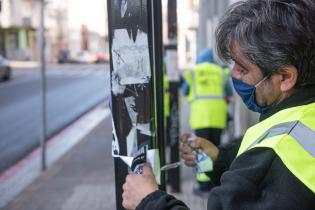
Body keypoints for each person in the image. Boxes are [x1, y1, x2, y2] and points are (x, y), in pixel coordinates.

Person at [122, 0, 315, 209]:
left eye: (243, 69)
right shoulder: (302, 115)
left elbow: (270, 166)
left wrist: (149, 201)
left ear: (285, 77)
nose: (233, 75)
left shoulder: (276, 153)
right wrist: (220, 158)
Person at [181, 48, 231, 191]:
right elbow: (228, 92)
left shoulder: (194, 72)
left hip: (200, 117)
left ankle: (203, 184)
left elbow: (184, 91)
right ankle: (216, 181)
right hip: (218, 116)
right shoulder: (220, 72)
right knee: (215, 148)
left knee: (200, 149)